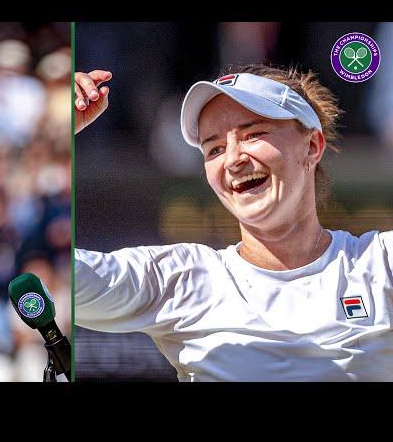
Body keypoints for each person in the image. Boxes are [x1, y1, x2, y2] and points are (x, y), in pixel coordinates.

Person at [74, 64, 393, 382]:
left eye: (253, 134)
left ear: (311, 147)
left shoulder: (380, 263)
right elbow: (50, 283)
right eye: (215, 148)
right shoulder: (184, 278)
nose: (233, 159)